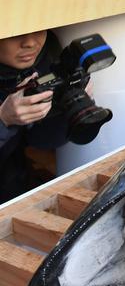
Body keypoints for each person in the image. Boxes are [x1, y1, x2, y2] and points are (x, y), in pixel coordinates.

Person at [0, 31, 71, 203]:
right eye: (15, 32)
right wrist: (3, 119)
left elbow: (42, 140)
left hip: (11, 179)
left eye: (38, 28)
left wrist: (65, 107)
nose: (30, 43)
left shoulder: (47, 57)